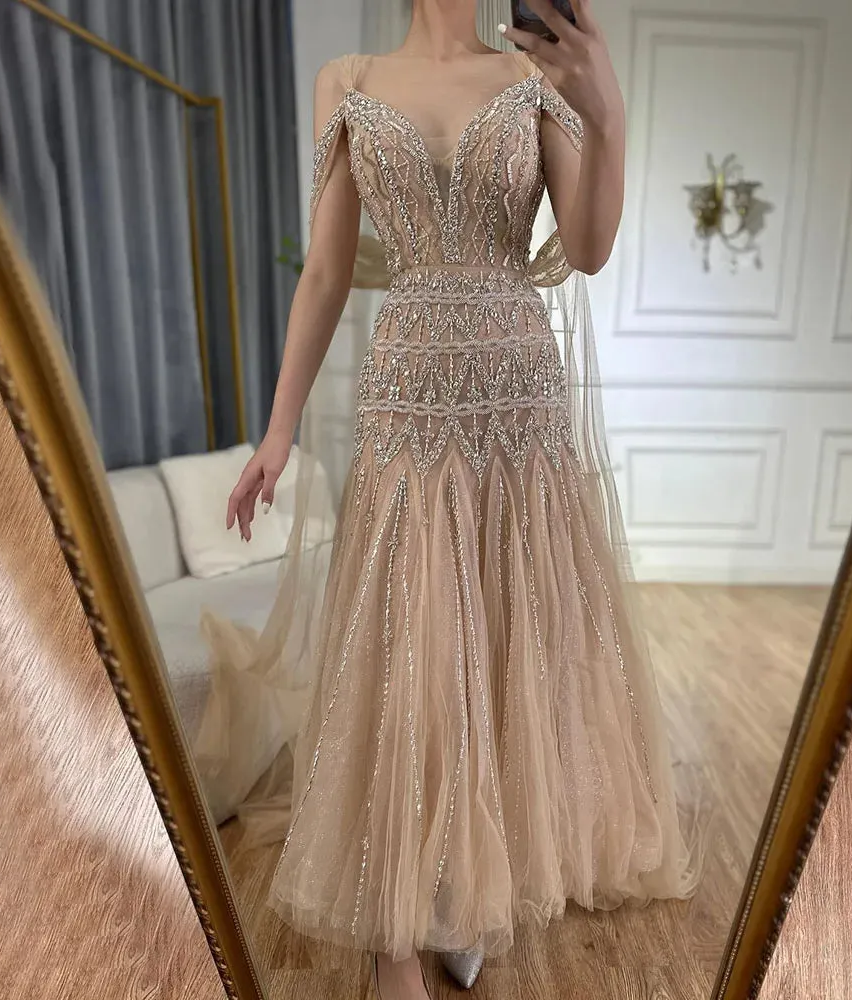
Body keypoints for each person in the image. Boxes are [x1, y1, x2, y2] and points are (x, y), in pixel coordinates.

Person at [221, 2, 701, 998]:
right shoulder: (346, 80)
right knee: (407, 650)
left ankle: (462, 886)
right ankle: (395, 934)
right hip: (408, 397)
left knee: (502, 650)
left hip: (518, 403)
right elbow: (325, 270)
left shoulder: (534, 77)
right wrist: (277, 429)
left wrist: (604, 111)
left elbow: (587, 248)